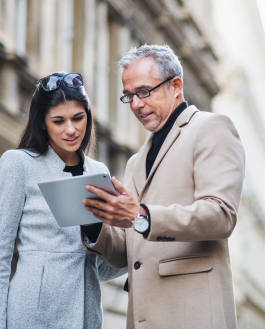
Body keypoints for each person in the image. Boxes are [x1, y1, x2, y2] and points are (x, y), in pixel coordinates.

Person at [81, 45, 246, 329]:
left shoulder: (211, 128)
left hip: (193, 315)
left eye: (144, 91)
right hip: (143, 317)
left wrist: (141, 216)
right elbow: (127, 251)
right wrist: (96, 222)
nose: (135, 104)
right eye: (129, 96)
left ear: (176, 86)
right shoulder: (136, 161)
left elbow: (221, 215)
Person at [0, 72, 126, 329]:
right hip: (32, 316)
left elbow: (103, 271)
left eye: (78, 118)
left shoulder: (98, 172)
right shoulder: (18, 164)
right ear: (42, 123)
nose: (71, 129)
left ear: (88, 117)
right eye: (58, 121)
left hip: (86, 316)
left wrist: (128, 240)